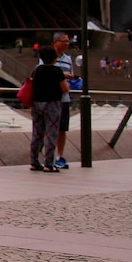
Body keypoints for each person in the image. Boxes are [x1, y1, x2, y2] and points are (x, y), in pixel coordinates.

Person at [29, 45, 69, 173]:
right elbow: (65, 89)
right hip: (52, 104)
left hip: (37, 103)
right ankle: (48, 164)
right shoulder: (57, 71)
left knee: (37, 133)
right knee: (51, 133)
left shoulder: (37, 70)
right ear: (54, 58)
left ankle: (34, 162)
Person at [48, 32, 74, 169]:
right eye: (63, 41)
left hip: (64, 98)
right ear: (55, 42)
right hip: (51, 97)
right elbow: (44, 73)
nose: (66, 43)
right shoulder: (47, 56)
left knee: (62, 128)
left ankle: (60, 156)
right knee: (50, 128)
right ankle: (49, 156)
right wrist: (62, 75)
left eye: (68, 41)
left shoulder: (68, 59)